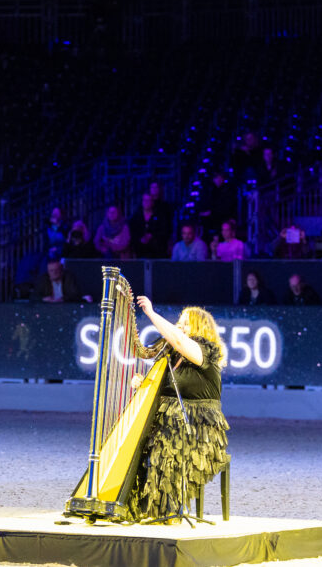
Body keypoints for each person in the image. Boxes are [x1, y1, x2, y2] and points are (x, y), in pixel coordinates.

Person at [128, 297, 230, 521]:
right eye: (179, 322)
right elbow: (166, 388)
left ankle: (167, 510)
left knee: (164, 446)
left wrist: (152, 314)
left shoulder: (204, 351)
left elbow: (180, 341)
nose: (178, 326)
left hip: (199, 426)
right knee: (142, 445)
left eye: (184, 323)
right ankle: (144, 507)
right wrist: (142, 384)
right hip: (170, 422)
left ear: (198, 327)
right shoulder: (174, 357)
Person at [129, 193, 171, 258]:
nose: (146, 202)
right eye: (145, 200)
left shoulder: (160, 216)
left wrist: (152, 236)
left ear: (152, 202)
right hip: (140, 250)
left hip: (157, 250)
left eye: (149, 200)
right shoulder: (136, 217)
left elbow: (165, 231)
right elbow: (133, 233)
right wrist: (140, 239)